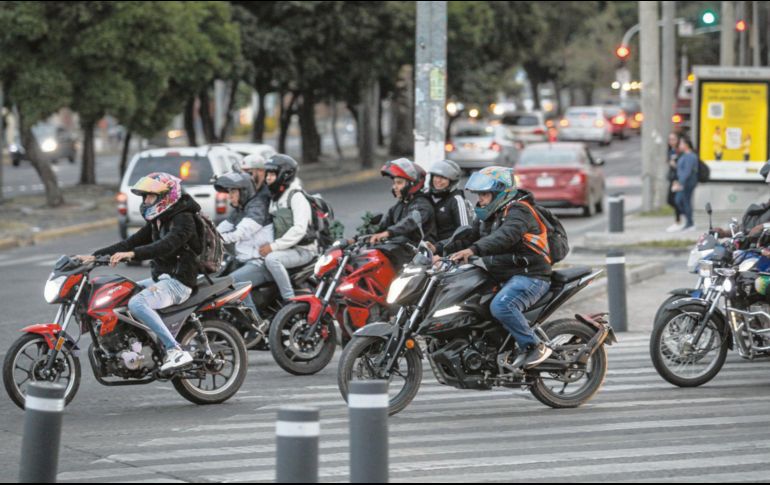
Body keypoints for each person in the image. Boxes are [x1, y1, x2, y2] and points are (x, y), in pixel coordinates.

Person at [77, 173, 200, 371]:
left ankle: (175, 350)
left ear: (165, 196)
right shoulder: (158, 220)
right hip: (161, 280)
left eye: (150, 196)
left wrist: (132, 255)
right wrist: (95, 256)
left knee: (138, 302)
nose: (145, 201)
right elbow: (130, 242)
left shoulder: (184, 219)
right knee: (122, 292)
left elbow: (165, 245)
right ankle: (135, 345)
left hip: (179, 283)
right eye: (144, 197)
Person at [440, 166, 553, 370]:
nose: (480, 200)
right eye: (479, 195)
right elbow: (468, 237)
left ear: (500, 193)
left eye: (484, 194)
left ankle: (535, 346)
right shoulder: (488, 214)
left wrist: (474, 250)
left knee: (501, 306)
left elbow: (505, 236)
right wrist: (439, 249)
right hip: (501, 274)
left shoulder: (519, 211)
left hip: (530, 275)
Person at [232, 154, 317, 314]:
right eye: (268, 174)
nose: (268, 178)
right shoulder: (274, 198)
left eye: (272, 174)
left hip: (303, 250)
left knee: (272, 259)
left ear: (284, 175)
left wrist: (273, 247)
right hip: (284, 250)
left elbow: (299, 229)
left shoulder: (296, 196)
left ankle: (289, 301)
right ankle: (258, 315)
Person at [370, 158, 437, 266]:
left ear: (412, 184)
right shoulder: (400, 205)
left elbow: (408, 223)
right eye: (394, 183)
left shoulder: (423, 205)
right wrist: (357, 239)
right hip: (402, 254)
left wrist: (388, 233)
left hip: (419, 257)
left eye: (399, 183)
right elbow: (383, 225)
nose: (394, 187)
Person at [214, 171, 274, 265]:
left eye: (233, 192)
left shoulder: (257, 207)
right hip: (241, 259)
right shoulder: (240, 208)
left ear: (244, 192)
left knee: (231, 279)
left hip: (257, 262)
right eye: (229, 192)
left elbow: (239, 234)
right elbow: (221, 228)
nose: (229, 197)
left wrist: (216, 239)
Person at [427, 159, 473, 242]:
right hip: (425, 247)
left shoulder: (457, 200)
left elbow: (465, 232)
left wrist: (440, 247)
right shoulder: (426, 195)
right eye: (436, 176)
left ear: (452, 181)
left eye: (443, 178)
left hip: (447, 250)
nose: (438, 181)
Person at [672, 137, 699, 232]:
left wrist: (680, 183)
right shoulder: (684, 155)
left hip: (687, 182)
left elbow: (687, 171)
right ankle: (689, 221)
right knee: (680, 201)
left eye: (681, 144)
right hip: (683, 181)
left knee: (683, 201)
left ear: (686, 145)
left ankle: (690, 223)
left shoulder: (690, 156)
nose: (679, 146)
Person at [665, 133, 683, 233]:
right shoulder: (670, 151)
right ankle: (682, 214)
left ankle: (678, 220)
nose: (671, 141)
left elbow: (681, 166)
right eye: (670, 139)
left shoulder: (680, 151)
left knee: (675, 200)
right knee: (670, 200)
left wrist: (674, 164)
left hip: (678, 179)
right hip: (672, 178)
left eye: (674, 139)